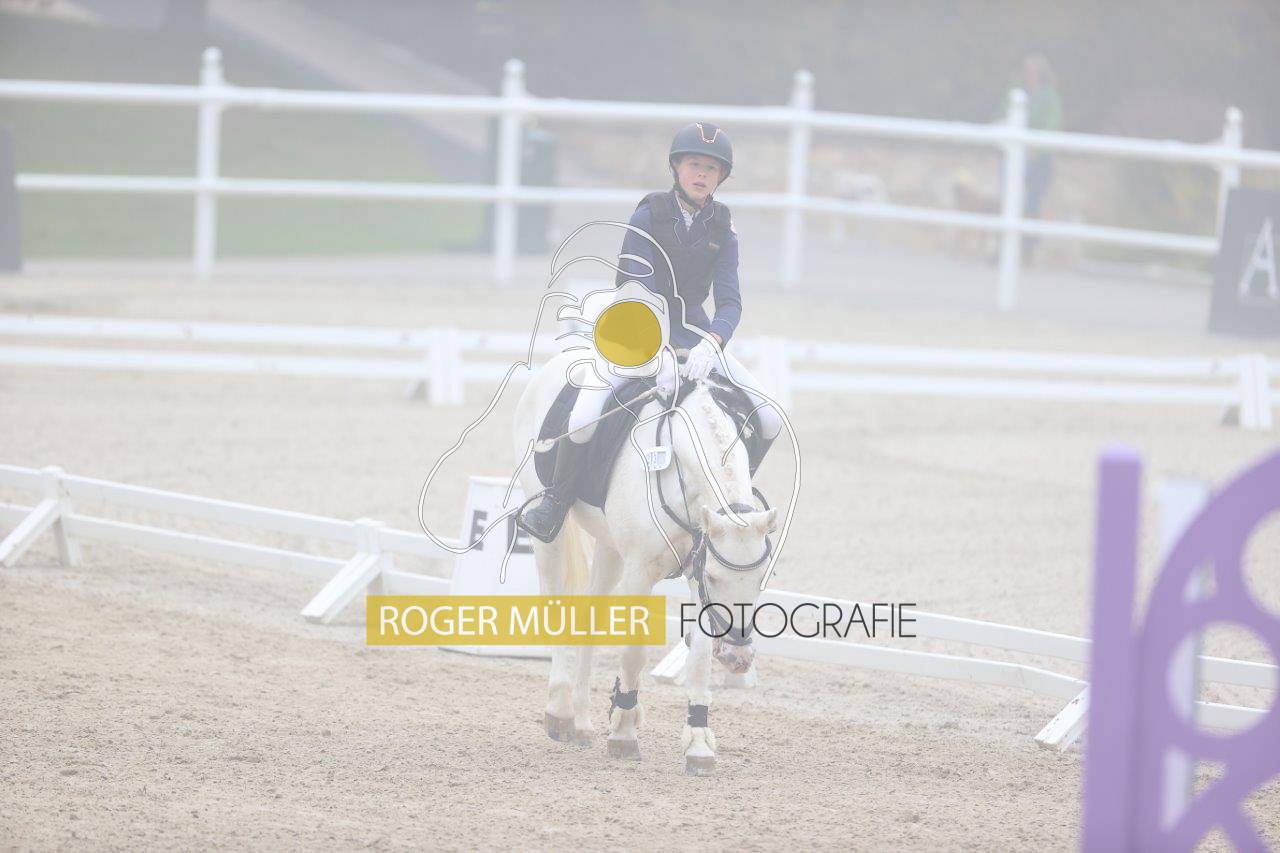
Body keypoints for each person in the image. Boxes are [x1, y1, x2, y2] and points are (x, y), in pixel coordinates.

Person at [517, 122, 784, 544]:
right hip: (635, 333)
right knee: (584, 418)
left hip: (696, 338)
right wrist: (656, 352)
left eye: (711, 169)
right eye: (694, 165)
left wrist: (712, 343)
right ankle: (556, 500)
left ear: (721, 177)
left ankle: (730, 498)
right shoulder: (649, 215)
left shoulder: (722, 228)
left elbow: (730, 302)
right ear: (677, 167)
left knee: (769, 417)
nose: (702, 174)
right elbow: (635, 290)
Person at [1021, 54, 1062, 260]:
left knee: (1032, 202)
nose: (1027, 75)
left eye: (1031, 71)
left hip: (1040, 159)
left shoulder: (1049, 97)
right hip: (1020, 157)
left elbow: (1052, 125)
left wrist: (1036, 147)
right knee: (1013, 201)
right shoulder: (1022, 95)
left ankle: (1028, 248)